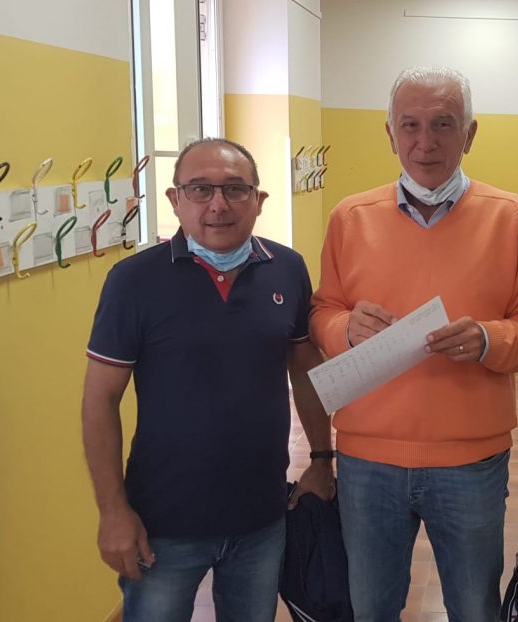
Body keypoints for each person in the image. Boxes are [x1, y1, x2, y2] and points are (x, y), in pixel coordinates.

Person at [309, 66, 518, 621]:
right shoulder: (350, 217)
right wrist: (344, 329)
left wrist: (489, 339)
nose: (425, 142)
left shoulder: (512, 218)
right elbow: (323, 310)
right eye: (410, 125)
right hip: (368, 459)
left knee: (474, 608)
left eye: (444, 124)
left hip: (471, 460)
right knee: (371, 609)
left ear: (470, 134)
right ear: (389, 134)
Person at [81, 138, 335, 622]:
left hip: (261, 518)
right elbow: (100, 400)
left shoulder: (287, 269)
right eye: (199, 189)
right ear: (175, 200)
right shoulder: (133, 281)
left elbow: (305, 370)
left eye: (235, 189)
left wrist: (322, 459)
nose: (218, 204)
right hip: (162, 525)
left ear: (259, 200)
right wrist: (113, 511)